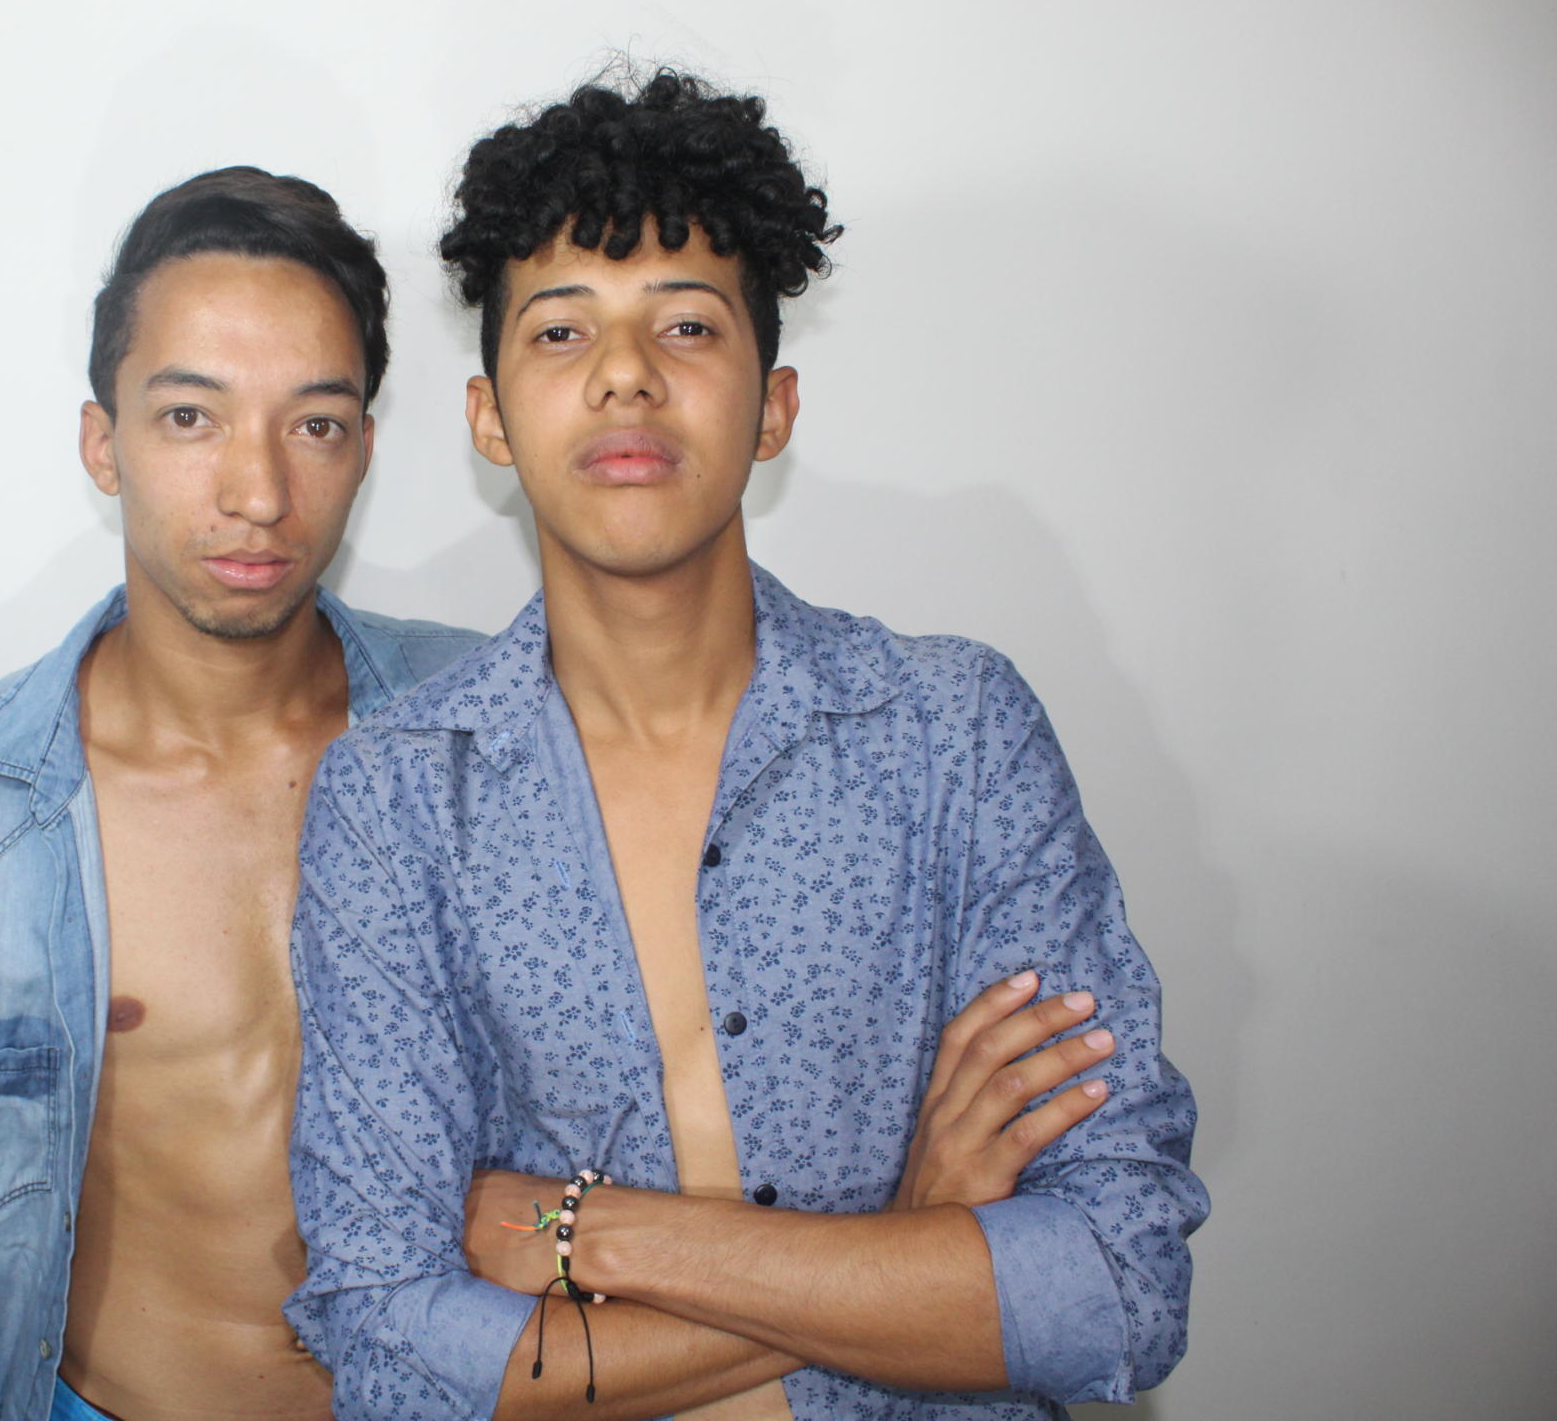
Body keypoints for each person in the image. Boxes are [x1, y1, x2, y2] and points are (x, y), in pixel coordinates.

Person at [285, 70, 1208, 1421]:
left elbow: (1117, 1284)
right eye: (561, 331)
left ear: (773, 408)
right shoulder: (400, 797)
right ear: (490, 419)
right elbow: (390, 1352)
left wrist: (591, 1233)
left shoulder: (954, 738)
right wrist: (908, 1248)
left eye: (686, 325)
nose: (625, 373)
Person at [0, 166, 483, 1421]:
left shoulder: (489, 732)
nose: (259, 493)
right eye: (191, 417)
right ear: (103, 442)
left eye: (315, 423)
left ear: (363, 448)